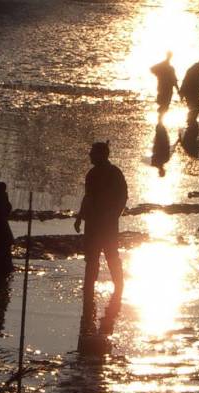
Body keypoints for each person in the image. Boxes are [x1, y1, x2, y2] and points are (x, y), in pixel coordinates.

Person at [74, 142, 128, 343]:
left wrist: (113, 215)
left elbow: (122, 197)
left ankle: (119, 286)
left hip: (107, 224)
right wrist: (80, 217)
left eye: (92, 153)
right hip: (92, 223)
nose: (90, 156)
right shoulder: (91, 174)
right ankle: (89, 290)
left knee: (112, 257)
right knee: (92, 259)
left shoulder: (115, 173)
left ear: (102, 155)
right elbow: (88, 197)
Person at [151, 52, 179, 124]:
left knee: (163, 103)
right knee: (165, 103)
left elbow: (152, 69)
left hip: (162, 87)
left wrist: (158, 75)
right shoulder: (168, 67)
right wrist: (177, 89)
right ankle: (160, 118)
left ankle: (160, 117)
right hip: (166, 88)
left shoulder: (164, 66)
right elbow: (174, 79)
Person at [179, 59, 199, 128]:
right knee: (195, 106)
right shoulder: (196, 71)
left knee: (193, 106)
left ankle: (191, 120)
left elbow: (188, 80)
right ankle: (191, 121)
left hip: (189, 92)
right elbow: (194, 82)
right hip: (191, 92)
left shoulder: (194, 69)